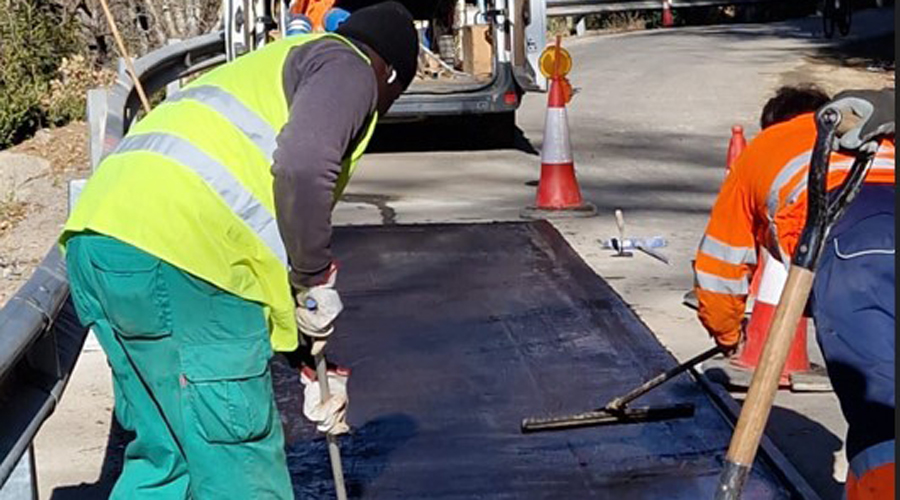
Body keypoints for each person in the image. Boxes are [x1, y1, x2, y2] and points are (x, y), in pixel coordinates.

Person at [60, 3, 418, 498]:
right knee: (238, 466)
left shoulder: (275, 63)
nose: (379, 112)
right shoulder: (350, 67)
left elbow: (257, 219)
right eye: (392, 99)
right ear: (391, 73)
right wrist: (315, 279)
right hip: (185, 256)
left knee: (166, 460)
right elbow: (301, 167)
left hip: (102, 241)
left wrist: (299, 351)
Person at [693, 85, 895, 500]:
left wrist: (728, 335)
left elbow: (720, 267)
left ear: (773, 122)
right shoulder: (874, 134)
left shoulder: (765, 147)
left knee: (880, 411)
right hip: (875, 226)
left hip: (855, 242)